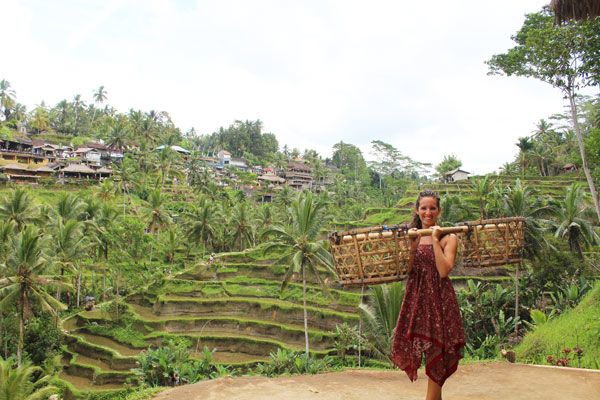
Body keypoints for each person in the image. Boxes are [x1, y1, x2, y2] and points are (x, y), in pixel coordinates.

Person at [391, 190, 465, 400]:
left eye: (432, 208)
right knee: (427, 354)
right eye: (424, 208)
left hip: (439, 301)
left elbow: (443, 270)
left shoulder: (449, 238)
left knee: (438, 354)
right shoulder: (412, 236)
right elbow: (405, 271)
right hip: (417, 299)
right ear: (417, 210)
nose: (428, 212)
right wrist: (413, 249)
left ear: (439, 211)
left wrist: (434, 239)